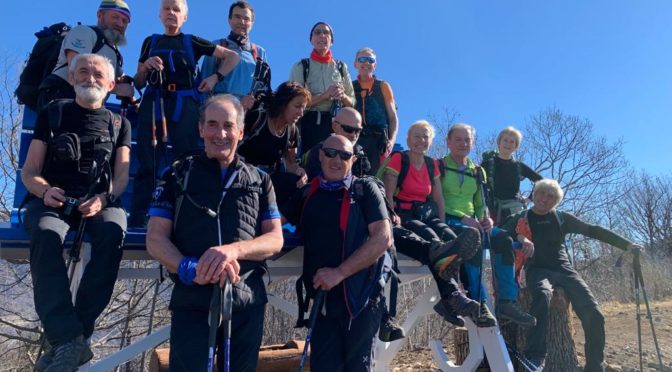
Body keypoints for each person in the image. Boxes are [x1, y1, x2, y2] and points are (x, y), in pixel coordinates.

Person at [146, 94, 283, 372]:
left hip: (246, 298)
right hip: (192, 298)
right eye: (212, 124)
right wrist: (188, 267)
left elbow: (275, 239)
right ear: (200, 129)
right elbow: (155, 239)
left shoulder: (260, 179)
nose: (220, 133)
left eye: (228, 126)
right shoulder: (176, 175)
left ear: (240, 132)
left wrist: (233, 250)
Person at [21, 54, 131, 371]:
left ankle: (69, 340)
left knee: (113, 234)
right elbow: (30, 172)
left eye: (98, 74)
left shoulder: (118, 123)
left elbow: (121, 176)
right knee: (44, 234)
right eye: (82, 71)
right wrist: (45, 191)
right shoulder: (52, 113)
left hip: (100, 202)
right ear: (71, 78)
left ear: (111, 84)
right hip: (53, 200)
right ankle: (70, 339)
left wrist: (105, 197)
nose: (90, 78)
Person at [495, 179, 643, 371]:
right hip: (537, 269)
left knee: (594, 314)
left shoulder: (561, 217)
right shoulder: (522, 217)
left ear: (556, 201)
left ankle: (594, 365)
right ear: (534, 194)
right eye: (541, 193)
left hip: (564, 269)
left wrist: (627, 245)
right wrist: (520, 237)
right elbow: (500, 234)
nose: (544, 199)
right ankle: (535, 355)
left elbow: (593, 230)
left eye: (551, 196)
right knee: (541, 296)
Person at [282, 134, 393, 371]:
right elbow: (273, 226)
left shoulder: (366, 189)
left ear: (352, 160)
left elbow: (383, 238)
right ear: (320, 155)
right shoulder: (306, 194)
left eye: (344, 155)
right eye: (331, 153)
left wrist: (339, 272)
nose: (336, 159)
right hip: (324, 302)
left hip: (361, 298)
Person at [129, 0, 240, 226]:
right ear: (160, 14)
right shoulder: (150, 42)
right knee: (148, 162)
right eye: (167, 9)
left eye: (176, 9)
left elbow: (232, 57)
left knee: (187, 160)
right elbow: (138, 82)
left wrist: (214, 78)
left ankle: (185, 216)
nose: (171, 13)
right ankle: (140, 219)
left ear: (185, 17)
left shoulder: (192, 41)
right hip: (153, 104)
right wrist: (145, 66)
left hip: (185, 106)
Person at [381, 121, 482, 326]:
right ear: (408, 139)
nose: (421, 140)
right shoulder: (399, 159)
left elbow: (438, 198)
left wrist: (443, 224)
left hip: (427, 214)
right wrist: (391, 215)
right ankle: (451, 296)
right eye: (417, 136)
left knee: (451, 240)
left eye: (426, 136)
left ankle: (456, 296)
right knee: (435, 242)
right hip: (404, 214)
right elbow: (388, 192)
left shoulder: (431, 164)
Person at [440, 123, 535, 327]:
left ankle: (507, 301)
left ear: (472, 143)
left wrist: (486, 218)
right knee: (473, 239)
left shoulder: (477, 171)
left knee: (502, 238)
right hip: (448, 220)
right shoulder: (438, 166)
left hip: (473, 222)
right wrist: (462, 217)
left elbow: (481, 201)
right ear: (448, 142)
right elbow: (435, 200)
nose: (463, 144)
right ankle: (478, 302)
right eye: (458, 139)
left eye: (467, 140)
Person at [37, 0, 134, 111]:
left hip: (88, 105)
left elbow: (120, 80)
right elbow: (76, 70)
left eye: (125, 21)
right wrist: (116, 89)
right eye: (115, 17)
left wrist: (133, 99)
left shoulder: (114, 51)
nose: (120, 24)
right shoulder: (84, 32)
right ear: (100, 15)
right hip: (60, 97)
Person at [237, 81, 310, 205]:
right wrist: (241, 108)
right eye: (297, 106)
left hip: (267, 179)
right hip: (241, 173)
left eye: (304, 108)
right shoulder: (257, 118)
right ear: (283, 103)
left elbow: (291, 163)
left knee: (297, 183)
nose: (301, 113)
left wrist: (300, 172)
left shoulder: (292, 131)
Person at [289, 22, 355, 153]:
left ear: (331, 41)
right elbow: (295, 103)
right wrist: (325, 95)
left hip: (337, 126)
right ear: (311, 40)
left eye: (326, 33)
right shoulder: (301, 66)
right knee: (311, 164)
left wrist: (343, 96)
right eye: (317, 32)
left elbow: (352, 102)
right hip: (310, 125)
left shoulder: (341, 67)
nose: (322, 35)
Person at [200, 1, 269, 110]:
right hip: (220, 111)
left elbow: (263, 89)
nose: (241, 22)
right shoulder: (217, 46)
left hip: (248, 116)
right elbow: (204, 85)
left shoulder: (259, 52)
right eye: (237, 17)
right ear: (229, 19)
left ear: (252, 23)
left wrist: (254, 101)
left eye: (246, 19)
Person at [481, 126, 542, 224]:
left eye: (512, 142)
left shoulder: (518, 166)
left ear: (516, 146)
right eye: (505, 140)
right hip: (492, 213)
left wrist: (530, 198)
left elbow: (540, 180)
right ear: (499, 143)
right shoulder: (487, 164)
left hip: (515, 211)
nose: (508, 144)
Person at [352, 47, 398, 175]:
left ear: (375, 65)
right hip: (356, 139)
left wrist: (391, 141)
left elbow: (393, 117)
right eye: (362, 59)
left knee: (376, 181)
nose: (366, 63)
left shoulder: (383, 86)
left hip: (379, 143)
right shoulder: (350, 87)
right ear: (355, 64)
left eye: (370, 60)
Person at [303, 107, 370, 180]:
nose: (353, 135)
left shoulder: (359, 152)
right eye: (348, 129)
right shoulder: (320, 151)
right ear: (334, 126)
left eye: (358, 130)